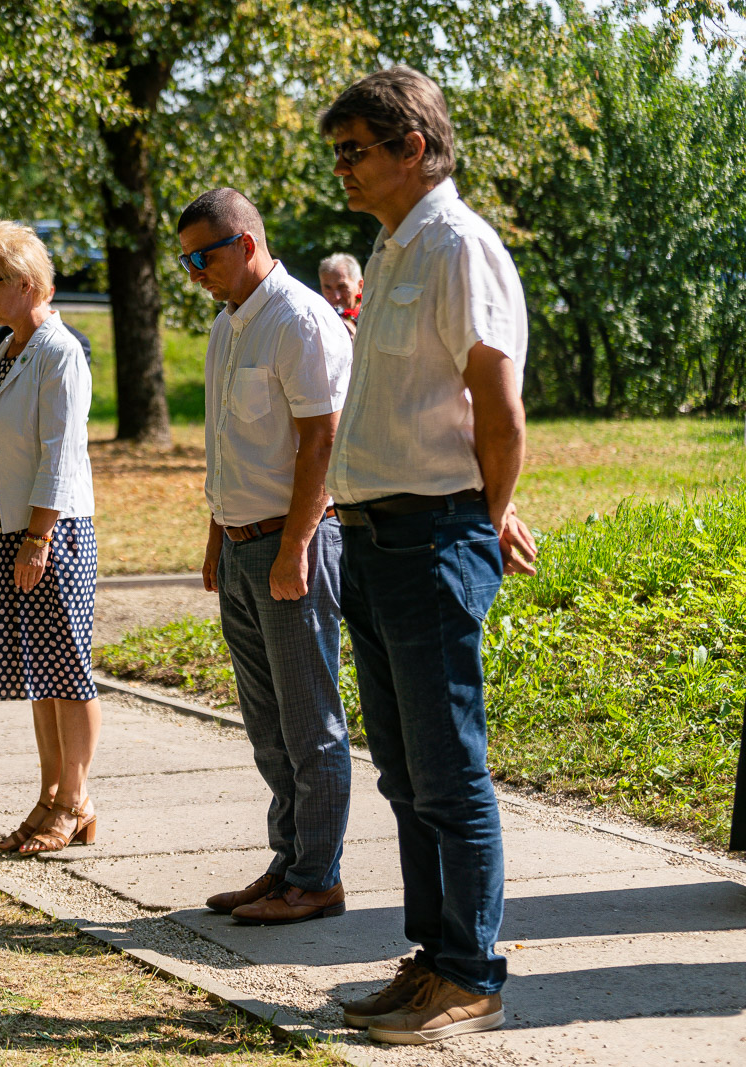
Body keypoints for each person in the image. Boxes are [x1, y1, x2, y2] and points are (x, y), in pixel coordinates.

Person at [319, 67, 537, 1045]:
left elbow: (497, 405)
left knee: (449, 771)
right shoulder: (394, 243)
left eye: (354, 151)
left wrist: (482, 517)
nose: (342, 171)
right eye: (336, 154)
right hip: (373, 537)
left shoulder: (455, 246)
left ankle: (472, 972)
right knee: (405, 772)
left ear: (412, 146)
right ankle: (432, 955)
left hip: (429, 534)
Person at [177, 189, 354, 926]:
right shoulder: (230, 324)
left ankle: (318, 876)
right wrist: (220, 536)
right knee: (268, 722)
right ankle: (287, 863)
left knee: (311, 719)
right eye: (184, 260)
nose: (193, 273)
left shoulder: (300, 319)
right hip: (245, 544)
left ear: (245, 243)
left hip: (293, 544)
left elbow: (322, 440)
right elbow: (230, 444)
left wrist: (294, 546)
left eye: (202, 257)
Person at [0, 221, 99, 856]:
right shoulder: (5, 348)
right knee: (36, 674)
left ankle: (75, 800)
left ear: (27, 283)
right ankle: (49, 794)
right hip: (10, 532)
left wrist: (35, 538)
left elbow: (58, 455)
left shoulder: (58, 351)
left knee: (67, 674)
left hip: (52, 533)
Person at [318, 252, 364, 337]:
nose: (336, 297)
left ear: (360, 285)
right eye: (328, 288)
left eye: (342, 287)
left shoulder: (375, 316)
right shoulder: (317, 319)